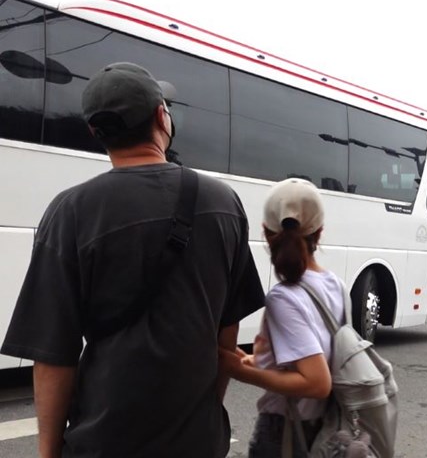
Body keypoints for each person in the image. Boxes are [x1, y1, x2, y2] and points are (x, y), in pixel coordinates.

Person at [0, 62, 265, 458]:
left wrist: (49, 452)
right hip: (197, 442)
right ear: (162, 116)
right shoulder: (224, 203)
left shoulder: (70, 211)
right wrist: (203, 411)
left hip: (104, 443)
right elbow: (227, 329)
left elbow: (53, 356)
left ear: (96, 132)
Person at [219, 177, 347, 457]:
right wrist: (259, 360)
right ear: (320, 232)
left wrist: (242, 371)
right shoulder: (335, 285)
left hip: (287, 434)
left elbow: (316, 382)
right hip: (327, 427)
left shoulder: (283, 298)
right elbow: (324, 353)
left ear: (266, 233)